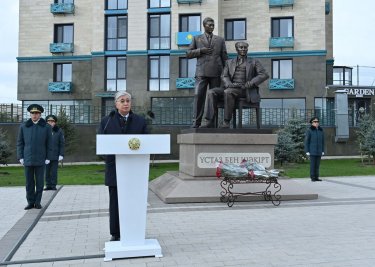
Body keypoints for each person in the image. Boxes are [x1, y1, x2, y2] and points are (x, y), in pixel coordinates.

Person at [98, 91, 147, 242]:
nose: (126, 103)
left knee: (134, 201)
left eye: (128, 101)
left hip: (135, 170)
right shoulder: (106, 121)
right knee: (115, 202)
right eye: (122, 101)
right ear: (116, 104)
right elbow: (101, 145)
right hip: (115, 169)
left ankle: (134, 230)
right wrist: (111, 159)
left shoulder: (140, 121)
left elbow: (147, 143)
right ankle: (116, 233)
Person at [201, 41, 269, 128]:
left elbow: (264, 74)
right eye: (241, 47)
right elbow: (224, 75)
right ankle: (210, 121)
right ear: (237, 49)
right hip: (231, 87)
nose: (243, 49)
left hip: (245, 90)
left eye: (245, 47)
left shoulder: (254, 61)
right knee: (211, 92)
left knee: (228, 92)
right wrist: (228, 83)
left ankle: (226, 122)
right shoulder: (229, 62)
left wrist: (251, 82)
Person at [186, 17, 228, 128]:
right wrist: (200, 51)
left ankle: (211, 122)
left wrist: (226, 74)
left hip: (216, 72)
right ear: (204, 25)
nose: (212, 27)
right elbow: (188, 53)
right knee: (198, 96)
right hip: (201, 72)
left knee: (213, 97)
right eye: (209, 25)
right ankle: (196, 122)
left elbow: (225, 58)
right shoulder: (197, 38)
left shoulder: (220, 40)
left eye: (213, 25)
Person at [17, 104, 52, 210]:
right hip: (27, 158)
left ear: (40, 114)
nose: (34, 115)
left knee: (40, 182)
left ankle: (38, 202)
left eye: (36, 113)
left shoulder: (46, 127)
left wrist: (48, 157)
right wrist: (20, 157)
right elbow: (20, 143)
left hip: (41, 158)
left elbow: (50, 144)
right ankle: (30, 202)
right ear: (30, 114)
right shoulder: (24, 126)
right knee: (29, 182)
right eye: (32, 113)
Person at [44, 115, 65, 191]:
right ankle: (48, 185)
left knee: (53, 171)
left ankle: (53, 185)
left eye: (52, 122)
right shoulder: (43, 130)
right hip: (46, 155)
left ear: (55, 123)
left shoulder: (59, 131)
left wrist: (61, 154)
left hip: (55, 155)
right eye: (49, 121)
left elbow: (62, 143)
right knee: (46, 172)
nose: (50, 123)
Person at [304, 117, 325, 182]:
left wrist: (323, 150)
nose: (316, 123)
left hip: (319, 151)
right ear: (312, 123)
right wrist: (307, 151)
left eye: (317, 121)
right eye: (315, 122)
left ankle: (316, 177)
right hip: (312, 151)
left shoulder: (321, 130)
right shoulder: (309, 130)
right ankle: (312, 177)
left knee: (317, 165)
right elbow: (306, 141)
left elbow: (323, 142)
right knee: (313, 165)